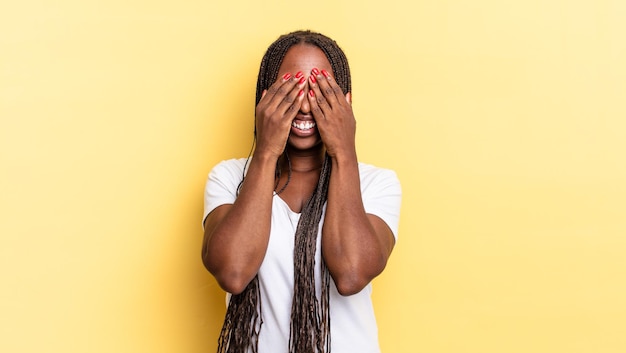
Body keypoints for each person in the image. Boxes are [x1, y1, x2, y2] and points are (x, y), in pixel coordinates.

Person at [202, 30, 402, 353]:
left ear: (345, 103)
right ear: (265, 98)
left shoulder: (377, 184)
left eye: (321, 91)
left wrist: (344, 152)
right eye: (292, 89)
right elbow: (233, 271)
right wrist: (266, 151)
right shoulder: (228, 178)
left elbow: (351, 273)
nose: (306, 106)